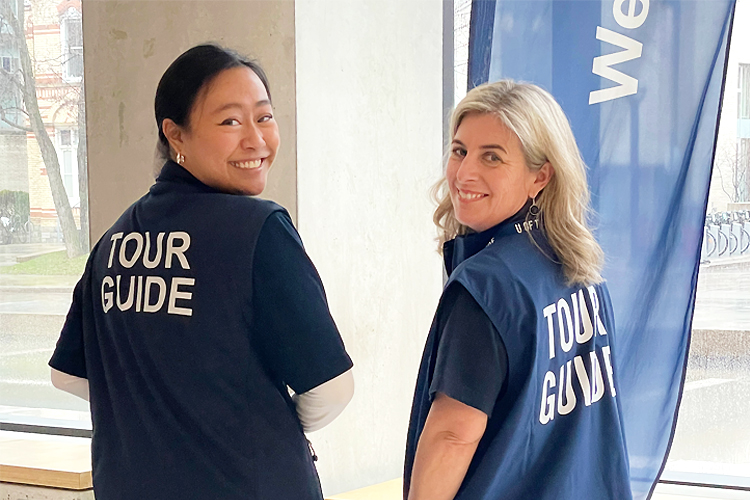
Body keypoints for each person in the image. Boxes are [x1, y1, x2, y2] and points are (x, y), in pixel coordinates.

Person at [49, 44, 354, 500]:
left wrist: (162, 424)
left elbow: (69, 375)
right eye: (230, 121)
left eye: (264, 117)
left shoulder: (113, 243)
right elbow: (330, 389)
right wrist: (253, 432)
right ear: (176, 134)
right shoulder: (259, 231)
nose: (255, 139)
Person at [403, 80, 632, 500]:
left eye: (492, 157)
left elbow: (453, 435)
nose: (464, 172)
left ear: (540, 175)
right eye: (459, 151)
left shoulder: (488, 286)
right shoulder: (579, 267)